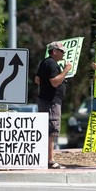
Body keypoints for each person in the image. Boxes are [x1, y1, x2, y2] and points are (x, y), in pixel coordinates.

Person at [35, 41, 72, 169]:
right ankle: (50, 160)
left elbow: (37, 80)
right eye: (61, 51)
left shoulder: (44, 62)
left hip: (45, 100)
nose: (63, 53)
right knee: (51, 131)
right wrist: (66, 70)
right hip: (51, 102)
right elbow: (55, 82)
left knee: (47, 130)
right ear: (54, 51)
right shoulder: (52, 64)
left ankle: (45, 158)